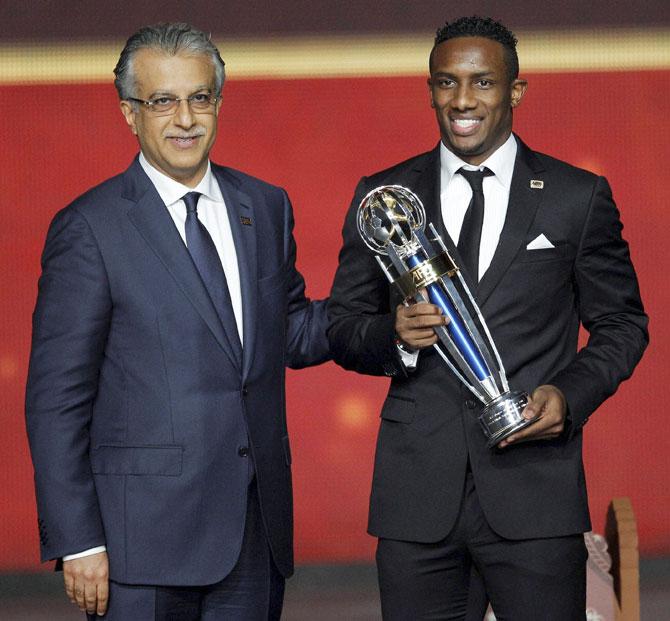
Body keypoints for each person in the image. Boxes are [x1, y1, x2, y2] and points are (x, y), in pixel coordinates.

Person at [327, 15, 648, 620]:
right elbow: (343, 326)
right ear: (430, 90)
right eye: (446, 83)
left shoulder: (576, 197)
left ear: (515, 91)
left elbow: (624, 326)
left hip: (535, 493)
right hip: (417, 500)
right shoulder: (387, 198)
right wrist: (391, 337)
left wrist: (567, 397)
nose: (463, 101)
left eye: (482, 83)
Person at [25, 22, 329, 620]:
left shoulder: (264, 206)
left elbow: (289, 329)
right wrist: (78, 538)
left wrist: (388, 324)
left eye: (199, 97)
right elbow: (56, 398)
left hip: (251, 532)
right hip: (138, 548)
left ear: (218, 102)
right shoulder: (89, 227)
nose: (184, 118)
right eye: (162, 101)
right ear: (129, 114)